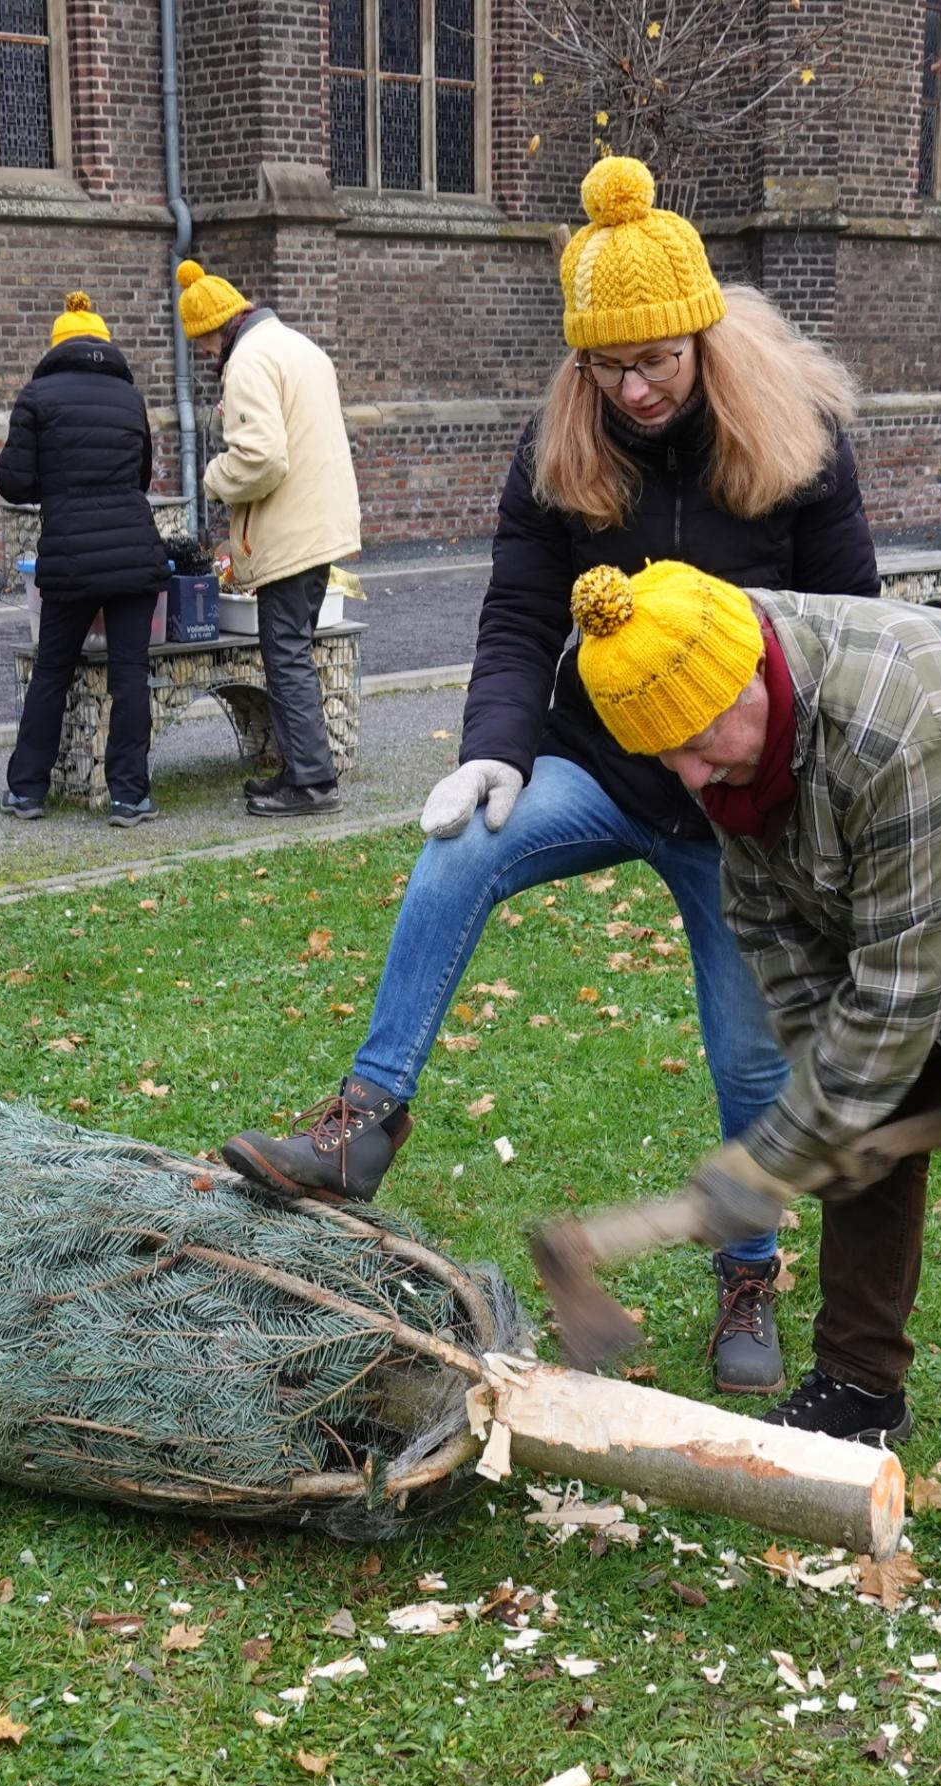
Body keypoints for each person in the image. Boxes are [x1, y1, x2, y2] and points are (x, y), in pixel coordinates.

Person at [222, 154, 881, 1396]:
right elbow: (521, 614)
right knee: (457, 852)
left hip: (740, 803)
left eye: (657, 362)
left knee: (748, 1058)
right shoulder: (562, 441)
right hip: (598, 763)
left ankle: (748, 1272)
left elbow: (852, 627)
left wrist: (806, 792)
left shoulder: (798, 438)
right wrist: (491, 749)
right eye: (606, 366)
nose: (633, 389)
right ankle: (363, 1122)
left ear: (700, 338)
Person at [564, 554, 941, 1442]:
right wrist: (825, 1111)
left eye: (698, 744)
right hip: (934, 876)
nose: (690, 778)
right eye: (665, 757)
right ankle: (859, 1388)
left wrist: (769, 1159)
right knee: (855, 1098)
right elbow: (773, 920)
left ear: (752, 680)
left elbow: (897, 1003)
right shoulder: (714, 673)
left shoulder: (903, 730)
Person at [175, 259, 360, 817]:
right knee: (291, 651)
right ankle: (301, 771)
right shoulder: (297, 345)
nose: (206, 356)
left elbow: (262, 458)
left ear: (213, 329)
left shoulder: (248, 362)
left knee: (285, 656)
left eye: (201, 346)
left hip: (291, 531)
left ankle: (310, 783)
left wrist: (213, 479)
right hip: (320, 523)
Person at [0, 290, 170, 828]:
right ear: (104, 343)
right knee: (130, 675)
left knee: (52, 670)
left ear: (58, 346)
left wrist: (58, 484)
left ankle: (26, 791)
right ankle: (129, 797)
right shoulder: (129, 397)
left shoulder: (37, 396)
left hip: (69, 556)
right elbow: (140, 476)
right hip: (133, 552)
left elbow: (12, 481)